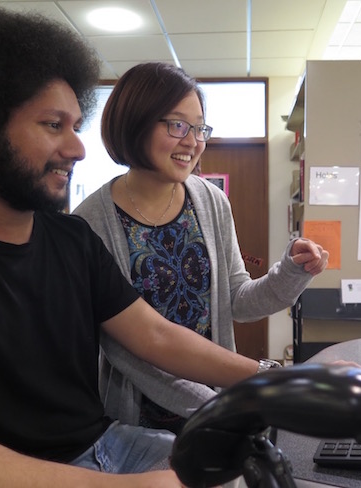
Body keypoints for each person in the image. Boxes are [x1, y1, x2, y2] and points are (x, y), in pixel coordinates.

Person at [0, 6, 262, 487]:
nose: (77, 148)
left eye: (74, 125)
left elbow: (155, 336)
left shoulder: (71, 239)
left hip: (104, 445)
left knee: (243, 467)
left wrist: (272, 380)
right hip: (7, 474)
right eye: (53, 126)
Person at [73, 62, 329, 434]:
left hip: (217, 404)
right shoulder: (90, 223)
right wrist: (224, 400)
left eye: (200, 128)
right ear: (135, 122)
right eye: (177, 125)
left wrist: (292, 271)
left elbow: (238, 300)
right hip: (137, 420)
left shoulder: (210, 200)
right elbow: (126, 348)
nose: (193, 142)